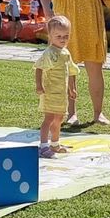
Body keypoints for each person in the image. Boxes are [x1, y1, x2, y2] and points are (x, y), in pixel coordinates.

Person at [35, 15, 79, 158]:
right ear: (50, 36)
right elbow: (39, 68)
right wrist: (39, 85)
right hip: (50, 92)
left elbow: (72, 71)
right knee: (49, 118)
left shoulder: (65, 53)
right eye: (58, 36)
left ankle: (55, 143)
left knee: (59, 119)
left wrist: (71, 88)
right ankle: (43, 145)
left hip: (61, 94)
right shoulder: (49, 52)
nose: (62, 39)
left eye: (66, 36)